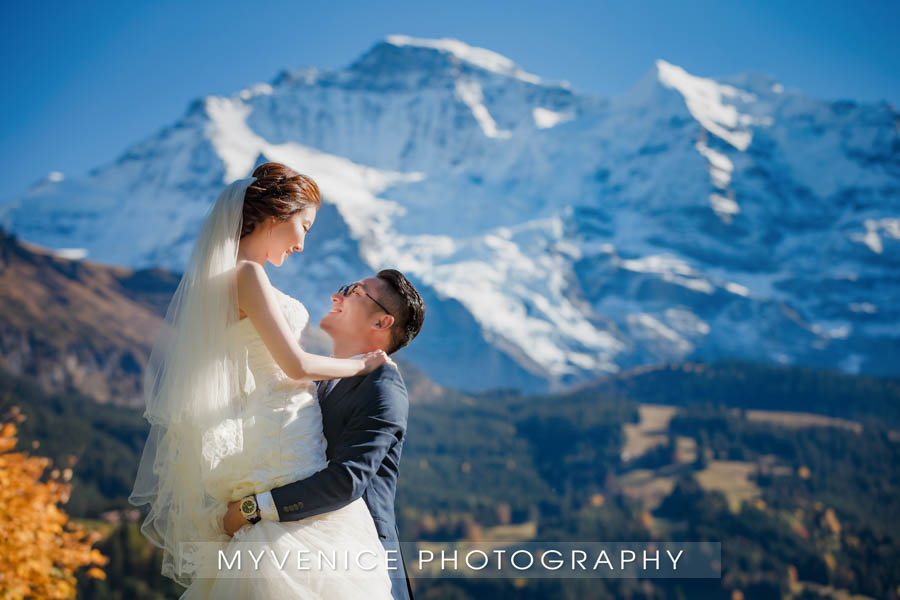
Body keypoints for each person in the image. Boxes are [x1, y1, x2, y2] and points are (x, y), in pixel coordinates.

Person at [129, 162, 422, 599]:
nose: (303, 243)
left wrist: (251, 508)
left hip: (349, 548)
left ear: (383, 321)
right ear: (276, 216)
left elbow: (345, 481)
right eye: (303, 226)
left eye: (353, 291)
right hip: (278, 484)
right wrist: (361, 365)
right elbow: (295, 368)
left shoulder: (385, 388)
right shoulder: (248, 278)